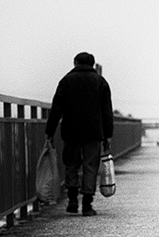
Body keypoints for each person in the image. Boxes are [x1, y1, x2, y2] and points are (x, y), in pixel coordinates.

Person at [45, 52, 113, 216]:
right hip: (94, 132)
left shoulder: (66, 81)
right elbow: (107, 111)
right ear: (92, 64)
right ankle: (87, 204)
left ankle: (72, 200)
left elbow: (56, 108)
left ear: (75, 63)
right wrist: (108, 134)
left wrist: (50, 132)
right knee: (90, 166)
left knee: (71, 164)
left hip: (71, 131)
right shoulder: (101, 82)